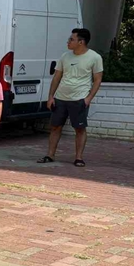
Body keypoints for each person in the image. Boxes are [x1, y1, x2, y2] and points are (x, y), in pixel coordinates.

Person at [37, 28, 103, 167]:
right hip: (60, 98)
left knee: (79, 129)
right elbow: (56, 77)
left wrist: (88, 98)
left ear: (81, 42)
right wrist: (51, 97)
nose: (68, 41)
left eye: (71, 39)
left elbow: (97, 79)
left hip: (79, 99)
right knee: (55, 127)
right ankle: (50, 155)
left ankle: (78, 157)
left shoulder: (95, 57)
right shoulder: (64, 57)